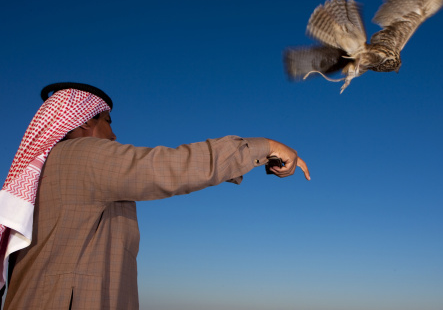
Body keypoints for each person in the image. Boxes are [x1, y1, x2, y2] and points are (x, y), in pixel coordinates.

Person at [0, 82, 310, 310]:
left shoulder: (43, 172)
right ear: (84, 122)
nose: (115, 135)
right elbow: (171, 167)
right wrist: (263, 147)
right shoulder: (82, 155)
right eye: (108, 122)